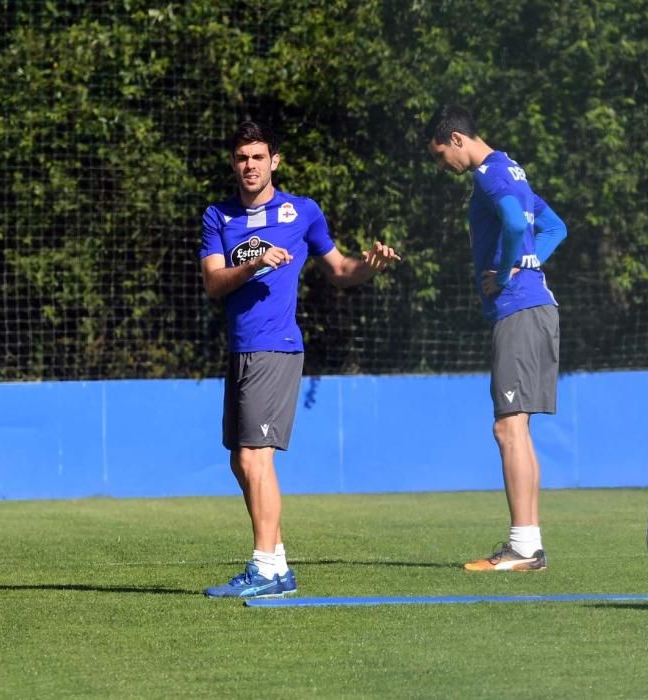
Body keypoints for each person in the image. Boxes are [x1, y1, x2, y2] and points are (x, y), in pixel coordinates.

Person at [200, 119, 400, 598]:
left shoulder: (301, 212)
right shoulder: (218, 216)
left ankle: (265, 568)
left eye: (258, 157)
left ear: (275, 161)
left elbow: (339, 269)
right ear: (234, 163)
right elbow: (212, 283)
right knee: (239, 462)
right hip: (240, 348)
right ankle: (279, 563)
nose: (250, 166)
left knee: (255, 458)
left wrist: (367, 268)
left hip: (277, 347)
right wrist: (253, 263)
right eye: (242, 158)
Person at [425, 104, 567, 571]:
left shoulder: (489, 174)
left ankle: (524, 547)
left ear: (457, 139)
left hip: (520, 309)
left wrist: (507, 273)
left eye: (441, 153)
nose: (443, 165)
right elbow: (554, 227)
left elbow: (511, 225)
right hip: (536, 307)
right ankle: (528, 545)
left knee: (508, 427)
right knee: (516, 428)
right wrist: (530, 260)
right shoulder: (512, 168)